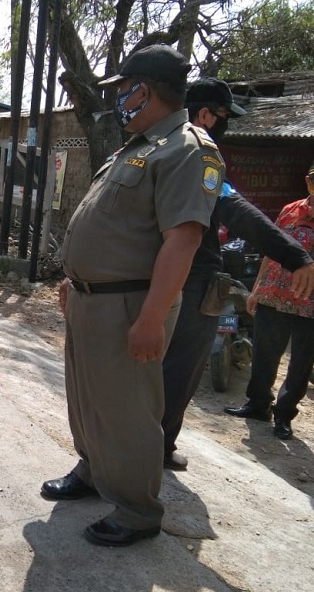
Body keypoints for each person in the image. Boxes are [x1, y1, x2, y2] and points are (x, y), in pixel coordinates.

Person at [40, 45, 224, 547]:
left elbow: (181, 240)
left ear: (145, 88)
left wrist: (151, 317)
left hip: (130, 306)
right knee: (88, 396)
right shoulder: (139, 145)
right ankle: (94, 471)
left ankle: (138, 509)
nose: (119, 97)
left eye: (123, 88)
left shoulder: (188, 149)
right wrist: (76, 278)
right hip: (90, 299)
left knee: (127, 408)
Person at [161, 78, 314, 470]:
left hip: (147, 277)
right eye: (224, 117)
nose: (223, 126)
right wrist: (294, 255)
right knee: (179, 370)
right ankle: (156, 448)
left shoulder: (153, 148)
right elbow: (237, 211)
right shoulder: (201, 157)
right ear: (205, 115)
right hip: (192, 281)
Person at [224, 166, 314, 439]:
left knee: (300, 363)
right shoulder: (290, 210)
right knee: (264, 354)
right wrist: (257, 289)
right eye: (312, 179)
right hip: (272, 295)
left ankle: (284, 414)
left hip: (309, 303)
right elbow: (270, 250)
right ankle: (258, 404)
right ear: (308, 182)